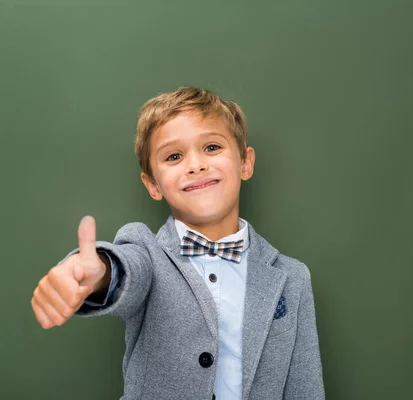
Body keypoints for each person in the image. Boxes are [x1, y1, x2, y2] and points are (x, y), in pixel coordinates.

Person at [30, 87, 325, 400]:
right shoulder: (146, 252)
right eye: (174, 156)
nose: (195, 165)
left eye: (212, 147)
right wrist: (96, 273)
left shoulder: (292, 277)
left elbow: (305, 388)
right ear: (153, 185)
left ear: (245, 163)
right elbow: (126, 270)